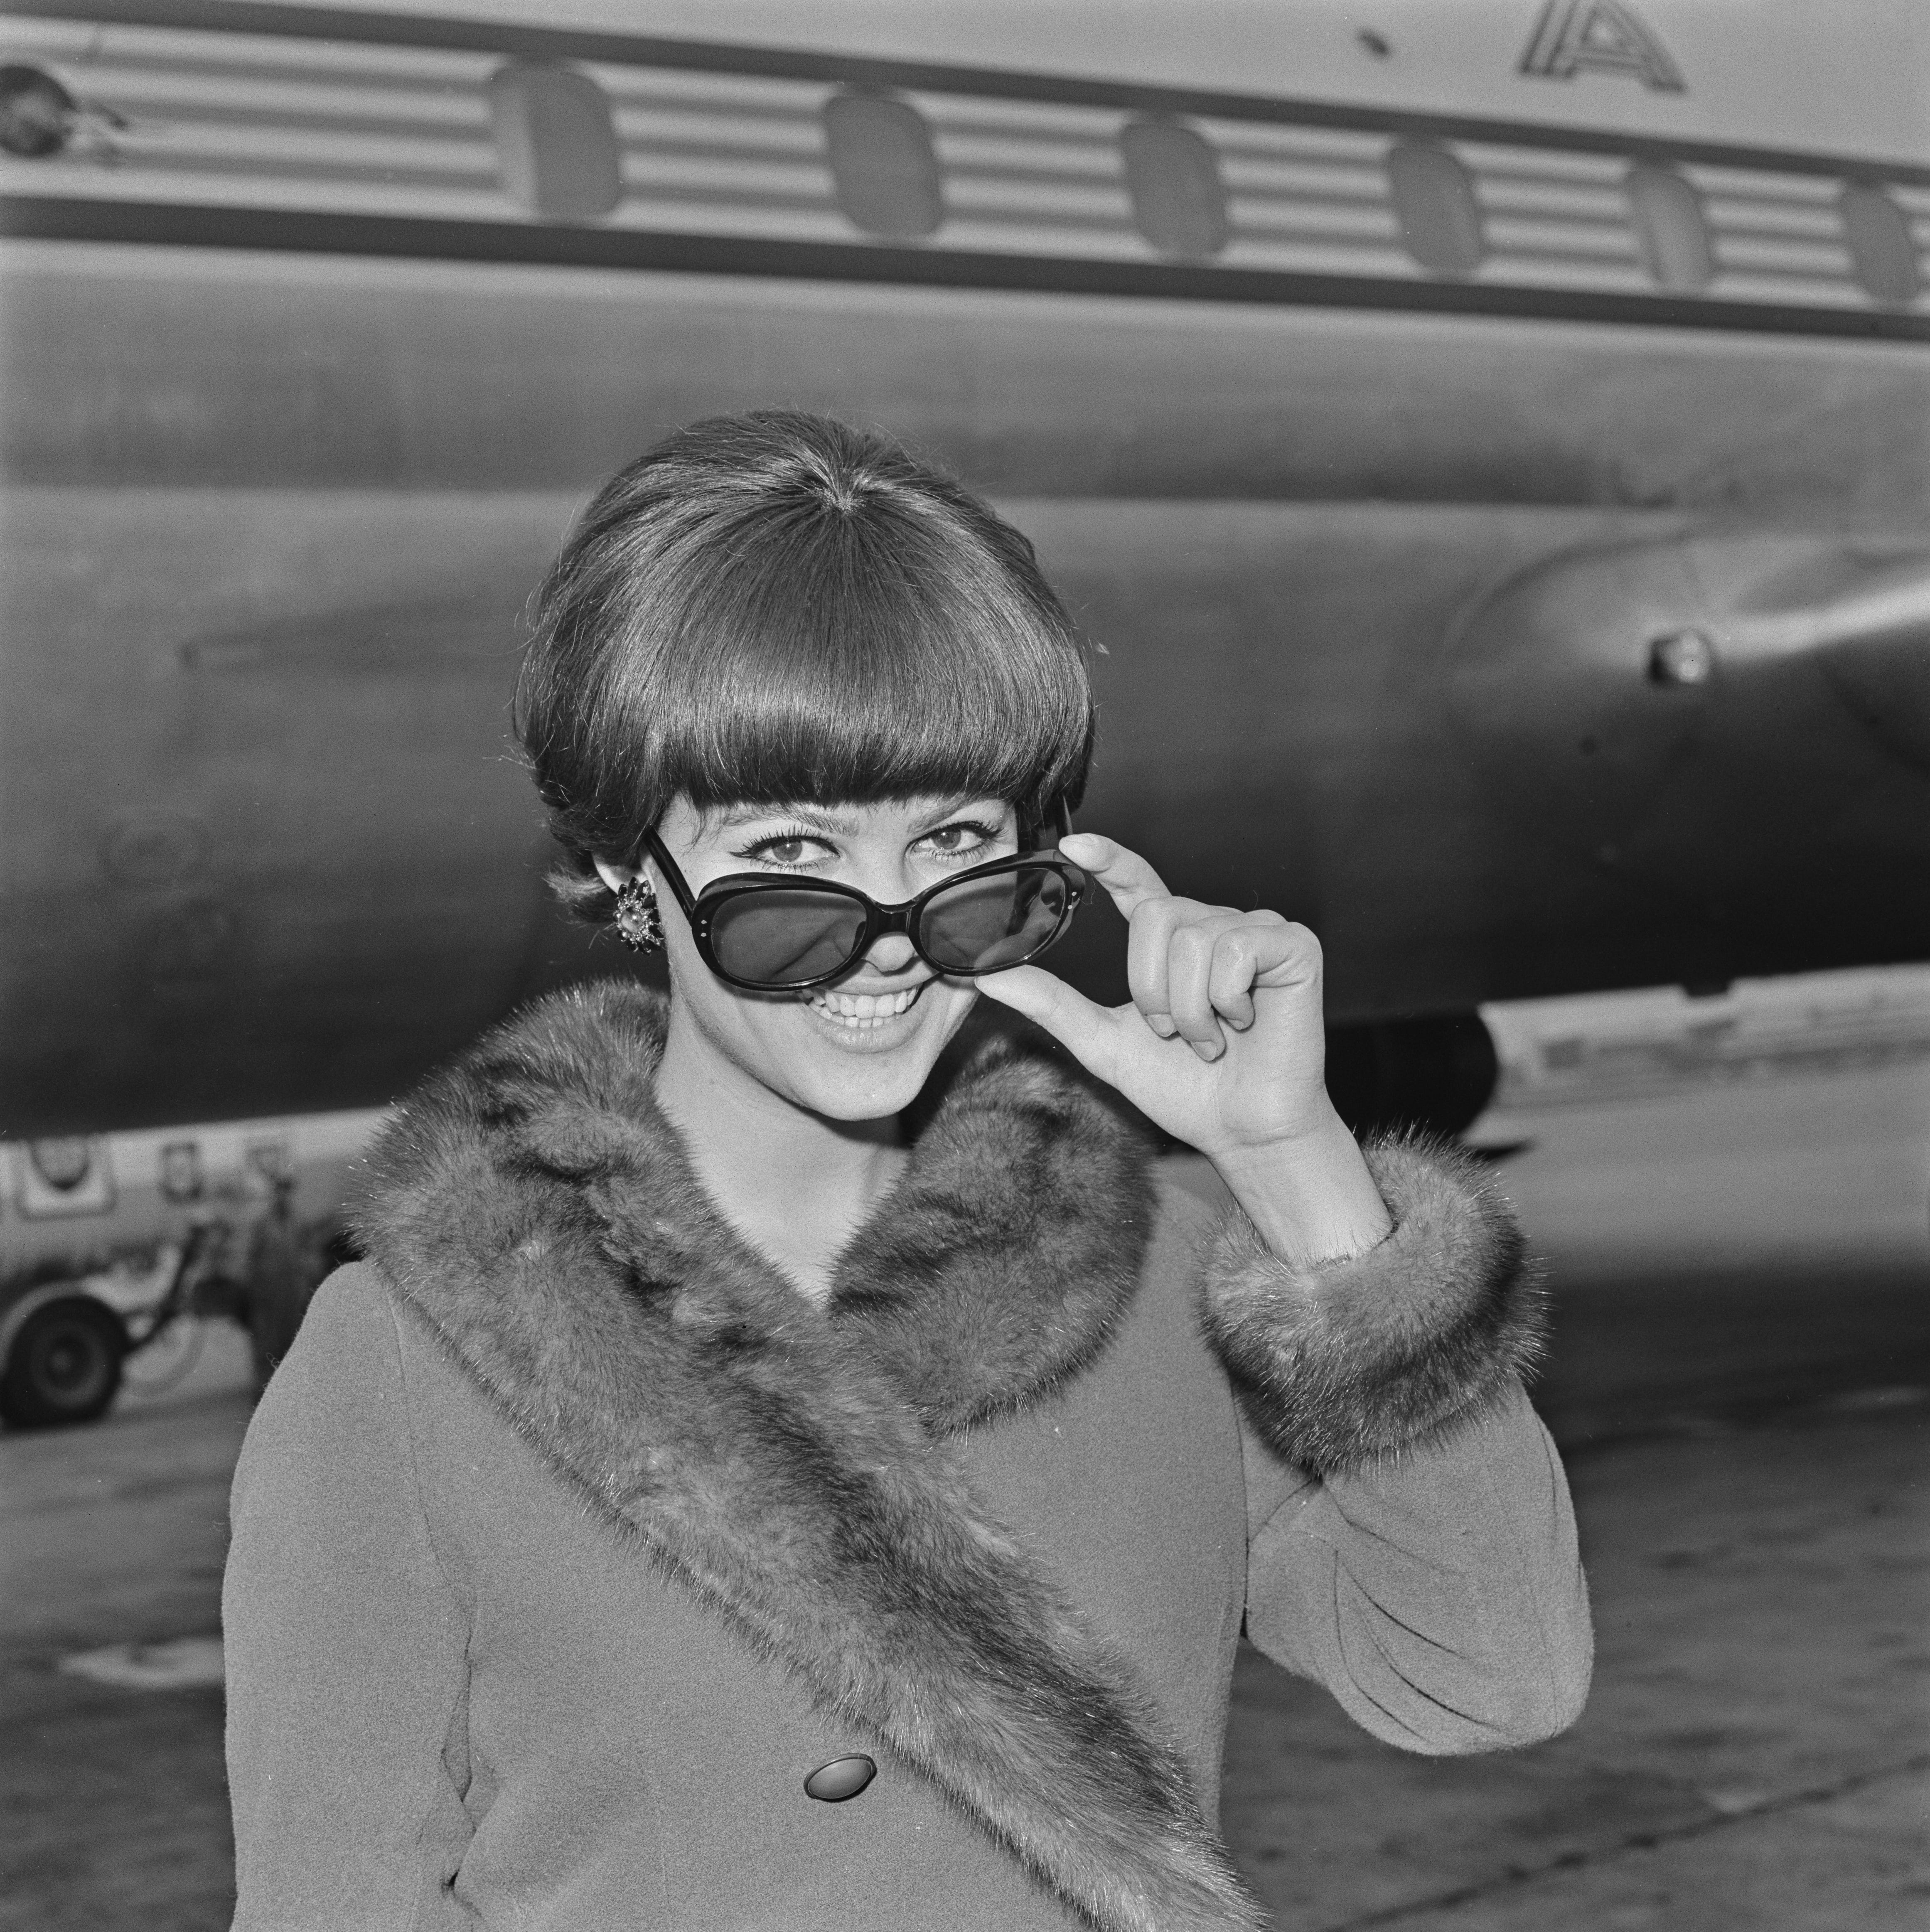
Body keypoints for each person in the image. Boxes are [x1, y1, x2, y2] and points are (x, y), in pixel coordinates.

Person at [223, 411, 1591, 1931]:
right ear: (629, 873)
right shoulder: (410, 1368)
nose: (884, 937)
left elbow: (1489, 1675)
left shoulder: (1161, 1273)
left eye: (954, 845)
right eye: (791, 856)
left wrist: (1289, 1155)